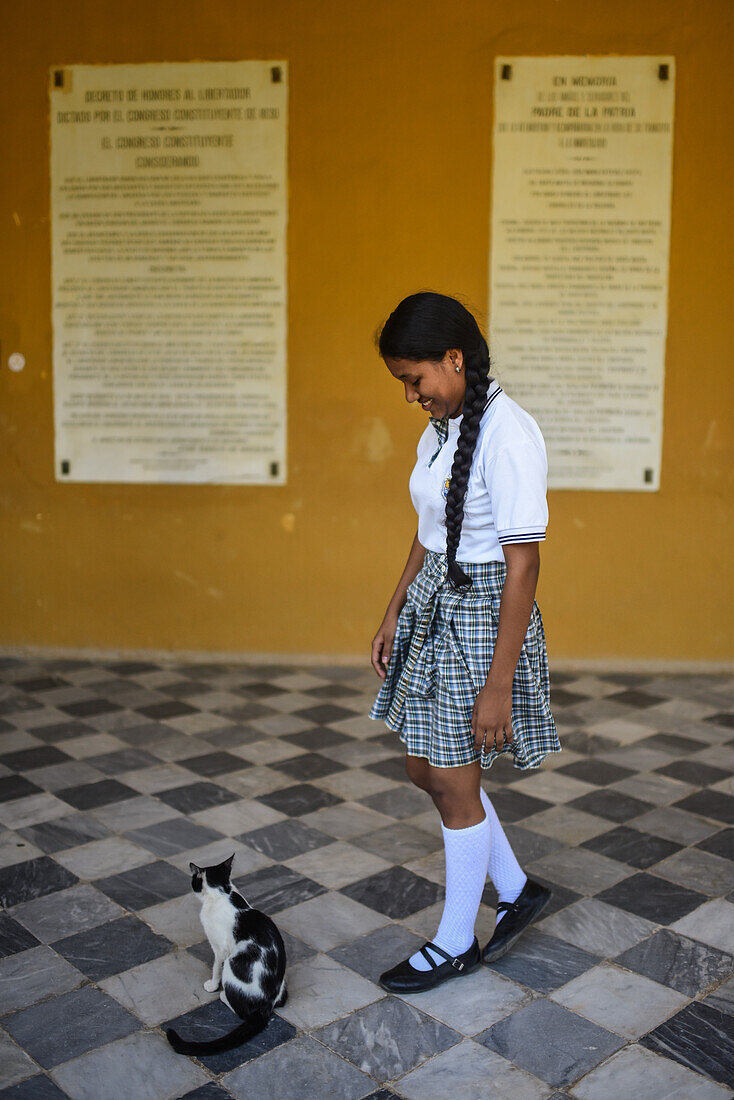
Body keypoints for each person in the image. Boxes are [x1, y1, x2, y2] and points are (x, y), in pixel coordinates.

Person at [368, 290, 561, 994]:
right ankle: (515, 888)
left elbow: (524, 564)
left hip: (483, 619)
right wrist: (393, 611)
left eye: (415, 380)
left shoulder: (508, 433)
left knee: (452, 779)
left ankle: (455, 942)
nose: (412, 396)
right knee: (426, 768)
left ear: (454, 359)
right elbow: (428, 530)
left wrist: (499, 681)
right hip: (435, 608)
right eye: (404, 384)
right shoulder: (443, 429)